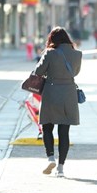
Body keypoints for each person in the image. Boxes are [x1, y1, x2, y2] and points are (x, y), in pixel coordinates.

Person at [33, 26, 82, 178]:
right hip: (68, 94)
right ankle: (60, 168)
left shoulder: (50, 53)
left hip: (51, 93)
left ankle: (50, 157)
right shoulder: (77, 54)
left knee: (47, 127)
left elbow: (38, 72)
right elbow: (75, 72)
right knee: (64, 131)